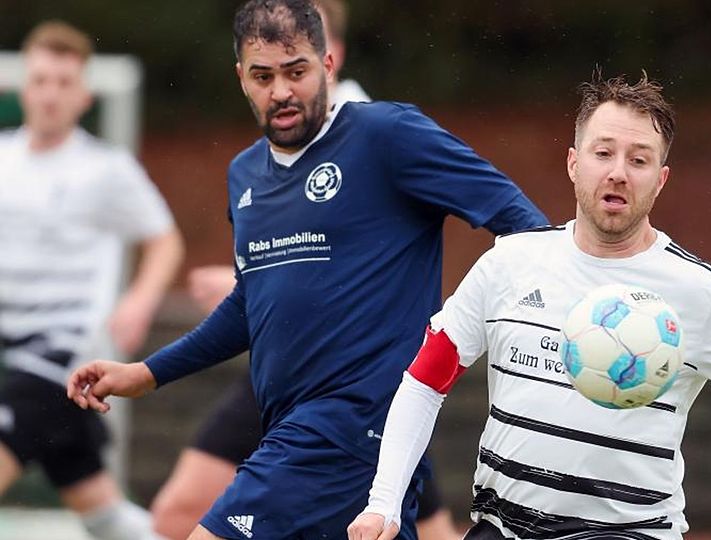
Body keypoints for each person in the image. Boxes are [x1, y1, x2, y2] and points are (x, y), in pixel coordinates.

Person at [347, 73, 711, 540]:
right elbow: (425, 380)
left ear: (659, 181)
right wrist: (385, 503)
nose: (618, 171)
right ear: (573, 163)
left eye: (638, 160)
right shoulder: (510, 263)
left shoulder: (700, 292)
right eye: (603, 152)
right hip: (501, 527)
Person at [67, 1, 546, 539]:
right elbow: (250, 306)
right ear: (241, 79)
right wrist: (146, 373)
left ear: (328, 63)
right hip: (305, 433)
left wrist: (534, 325)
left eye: (296, 71)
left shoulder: (388, 135)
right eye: (262, 76)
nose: (281, 92)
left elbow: (524, 226)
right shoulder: (244, 174)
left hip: (349, 428)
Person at [0, 21, 183, 540]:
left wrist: (140, 302)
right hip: (17, 349)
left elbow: (164, 239)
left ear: (83, 95)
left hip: (65, 356)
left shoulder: (105, 169)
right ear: (23, 88)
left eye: (63, 82)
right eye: (41, 80)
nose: (51, 93)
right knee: (102, 511)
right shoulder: (4, 159)